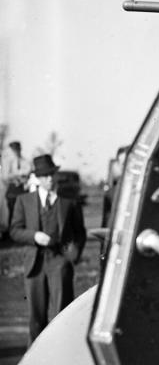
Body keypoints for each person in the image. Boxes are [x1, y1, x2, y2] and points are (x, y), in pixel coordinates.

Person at [9, 154, 87, 343]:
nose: (49, 179)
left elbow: (80, 233)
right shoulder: (24, 201)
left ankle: (63, 356)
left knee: (63, 315)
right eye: (44, 176)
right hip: (35, 265)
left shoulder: (68, 202)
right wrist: (34, 236)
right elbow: (14, 231)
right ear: (37, 178)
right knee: (36, 318)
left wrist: (72, 256)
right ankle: (35, 362)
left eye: (51, 174)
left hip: (59, 262)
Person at [2, 141, 28, 235]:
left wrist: (22, 178)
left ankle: (20, 230)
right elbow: (5, 176)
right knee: (12, 211)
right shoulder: (8, 161)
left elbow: (27, 173)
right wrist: (16, 176)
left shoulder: (24, 161)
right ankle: (11, 231)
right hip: (12, 190)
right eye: (14, 149)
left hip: (22, 190)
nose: (16, 151)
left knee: (22, 211)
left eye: (18, 149)